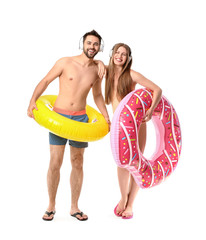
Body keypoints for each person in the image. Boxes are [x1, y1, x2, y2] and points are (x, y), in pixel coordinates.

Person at [27, 30, 110, 221]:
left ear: (100, 47)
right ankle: (51, 205)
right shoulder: (65, 62)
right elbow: (46, 80)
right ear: (83, 43)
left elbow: (97, 96)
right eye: (89, 43)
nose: (92, 47)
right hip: (59, 118)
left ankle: (74, 207)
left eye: (96, 44)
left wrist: (105, 116)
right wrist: (32, 101)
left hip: (81, 119)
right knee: (55, 162)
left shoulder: (97, 70)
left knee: (78, 162)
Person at [105, 43, 162, 219]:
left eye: (124, 54)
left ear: (128, 58)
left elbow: (157, 90)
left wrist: (151, 110)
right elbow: (95, 67)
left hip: (136, 124)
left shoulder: (131, 75)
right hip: (118, 125)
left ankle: (130, 204)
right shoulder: (107, 73)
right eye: (117, 53)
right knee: (121, 162)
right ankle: (123, 198)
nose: (120, 56)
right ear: (112, 54)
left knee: (136, 163)